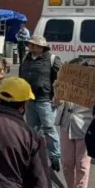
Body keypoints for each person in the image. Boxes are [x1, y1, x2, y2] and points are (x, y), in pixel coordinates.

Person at [17, 34, 63, 171]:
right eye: (29, 45)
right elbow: (21, 76)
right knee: (32, 128)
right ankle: (35, 153)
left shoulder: (52, 59)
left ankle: (55, 156)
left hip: (45, 100)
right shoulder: (27, 58)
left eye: (33, 45)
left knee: (48, 128)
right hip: (29, 99)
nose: (30, 47)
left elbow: (61, 80)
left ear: (41, 47)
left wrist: (58, 96)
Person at [57, 64, 92, 188]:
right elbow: (56, 103)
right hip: (66, 125)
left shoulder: (92, 89)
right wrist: (56, 91)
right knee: (67, 162)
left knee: (82, 163)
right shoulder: (65, 86)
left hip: (84, 127)